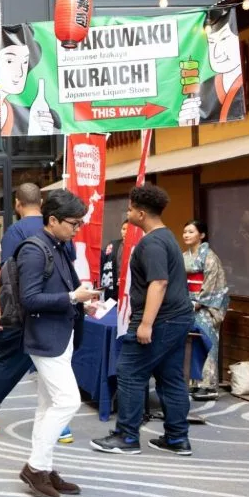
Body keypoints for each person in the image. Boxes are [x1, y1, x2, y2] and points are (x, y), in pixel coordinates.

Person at [0, 183, 73, 444]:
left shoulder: (17, 231)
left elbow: (9, 275)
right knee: (49, 366)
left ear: (18, 204)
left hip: (24, 311)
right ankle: (61, 424)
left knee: (7, 362)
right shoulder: (59, 230)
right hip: (54, 312)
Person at [91, 184, 196, 456]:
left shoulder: (151, 243)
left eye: (129, 209)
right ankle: (177, 437)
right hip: (178, 318)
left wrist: (146, 323)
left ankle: (127, 436)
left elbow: (158, 282)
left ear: (140, 213)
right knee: (170, 376)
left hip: (160, 320)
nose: (127, 213)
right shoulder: (168, 237)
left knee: (129, 372)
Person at [16, 190, 98, 497]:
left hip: (59, 333)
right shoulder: (35, 250)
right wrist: (71, 299)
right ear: (53, 220)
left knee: (48, 405)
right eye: (73, 223)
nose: (77, 228)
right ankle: (36, 468)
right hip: (45, 337)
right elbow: (30, 298)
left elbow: (66, 288)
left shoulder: (58, 245)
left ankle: (44, 468)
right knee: (67, 401)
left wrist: (81, 302)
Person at [182, 219, 229, 401]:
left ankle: (208, 385)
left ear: (201, 235)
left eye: (191, 232)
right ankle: (194, 382)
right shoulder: (183, 255)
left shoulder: (210, 257)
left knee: (207, 341)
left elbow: (212, 285)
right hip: (188, 303)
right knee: (191, 343)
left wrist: (198, 302)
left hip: (206, 306)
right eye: (185, 231)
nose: (186, 235)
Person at [99, 220, 128, 302]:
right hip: (112, 287)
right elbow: (101, 260)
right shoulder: (113, 244)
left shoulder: (138, 247)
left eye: (128, 229)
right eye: (123, 229)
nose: (125, 232)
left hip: (129, 290)